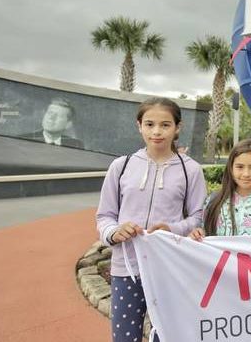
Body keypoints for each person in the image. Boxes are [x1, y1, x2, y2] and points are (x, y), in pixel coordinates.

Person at [95, 97, 207, 342]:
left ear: (178, 127)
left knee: (166, 336)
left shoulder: (191, 171)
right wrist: (114, 232)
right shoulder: (120, 166)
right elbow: (104, 216)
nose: (157, 132)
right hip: (127, 268)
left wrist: (173, 228)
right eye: (150, 124)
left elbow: (199, 217)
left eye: (165, 125)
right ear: (139, 126)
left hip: (169, 268)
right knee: (124, 338)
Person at [189, 139, 251, 240]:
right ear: (230, 168)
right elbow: (204, 234)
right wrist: (197, 234)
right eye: (240, 167)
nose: (246, 174)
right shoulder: (214, 201)